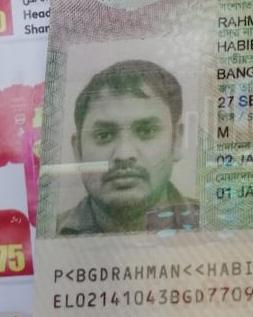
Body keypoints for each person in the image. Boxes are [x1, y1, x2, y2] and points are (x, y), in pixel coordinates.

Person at [57, 60, 198, 236]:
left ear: (176, 141)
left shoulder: (220, 224)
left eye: (146, 131)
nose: (124, 154)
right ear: (78, 150)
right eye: (104, 135)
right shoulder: (45, 235)